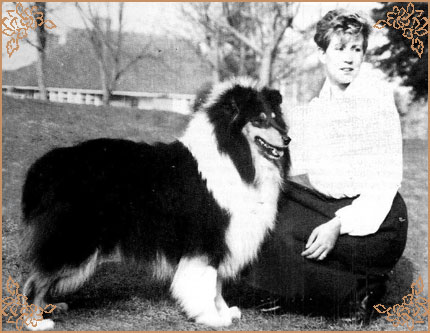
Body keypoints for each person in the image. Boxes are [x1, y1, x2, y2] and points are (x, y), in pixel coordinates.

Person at [242, 9, 408, 322]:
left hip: (380, 219)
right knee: (261, 201)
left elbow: (384, 185)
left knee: (293, 233)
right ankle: (317, 284)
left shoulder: (376, 102)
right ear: (322, 53)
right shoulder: (316, 111)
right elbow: (286, 162)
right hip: (332, 207)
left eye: (356, 49)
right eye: (340, 48)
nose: (349, 58)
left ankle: (357, 293)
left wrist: (337, 225)